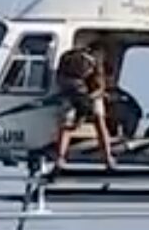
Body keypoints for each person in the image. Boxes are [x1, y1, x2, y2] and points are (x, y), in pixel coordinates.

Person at [51, 40, 123, 171]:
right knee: (100, 123)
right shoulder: (96, 62)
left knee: (67, 125)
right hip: (86, 94)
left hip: (70, 92)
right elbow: (99, 87)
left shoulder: (74, 57)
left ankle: (60, 158)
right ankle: (108, 158)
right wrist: (94, 97)